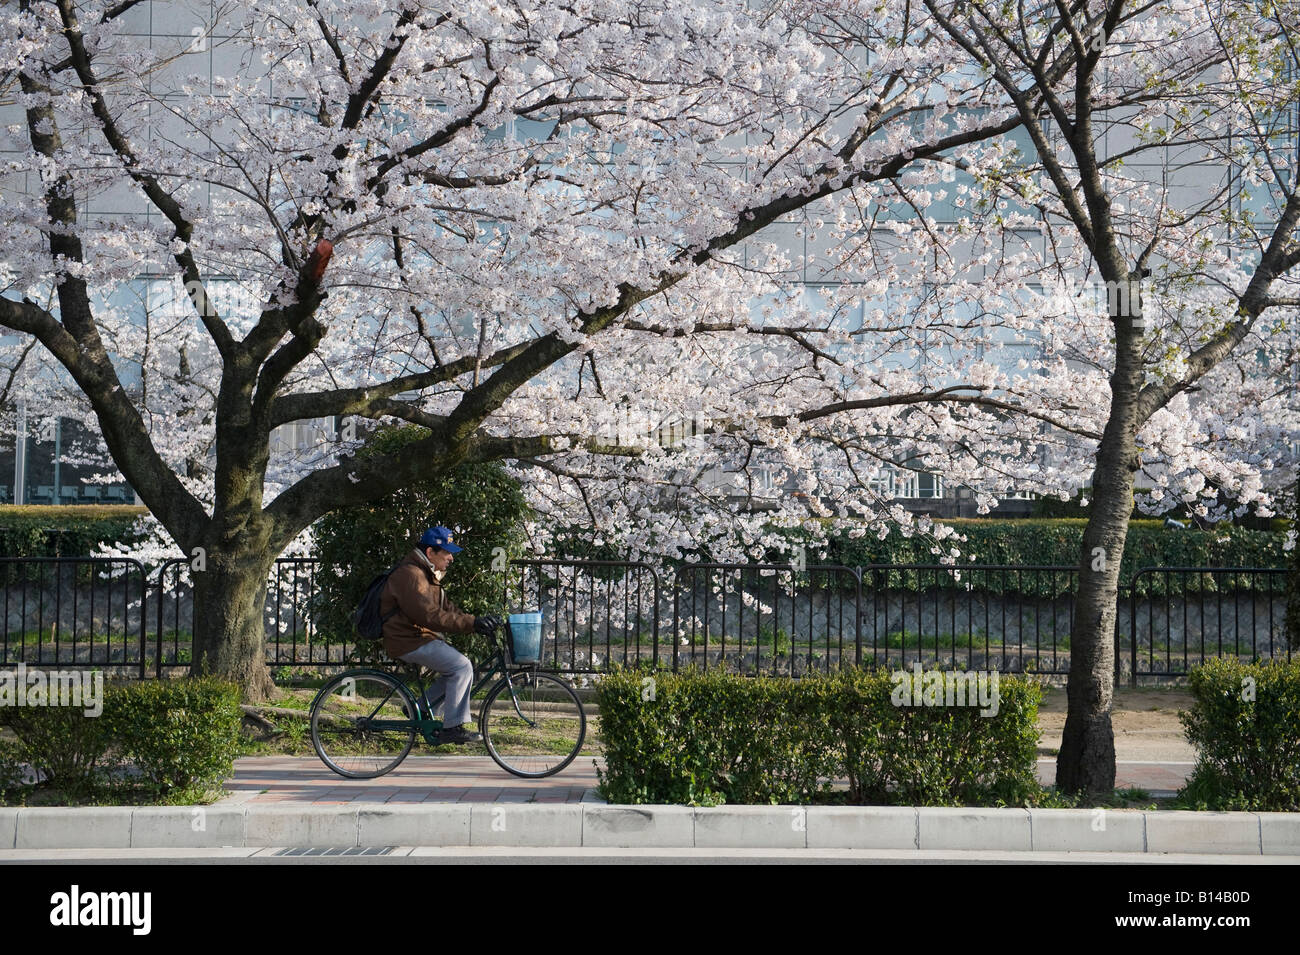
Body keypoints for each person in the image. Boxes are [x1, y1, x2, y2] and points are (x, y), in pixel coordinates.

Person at [379, 526, 502, 744]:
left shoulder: (425, 574)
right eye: (447, 552)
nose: (451, 558)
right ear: (430, 553)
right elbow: (429, 615)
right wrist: (472, 623)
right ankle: (453, 726)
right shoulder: (411, 575)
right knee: (461, 666)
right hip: (408, 640)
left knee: (457, 669)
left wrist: (476, 622)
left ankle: (422, 708)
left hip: (417, 637)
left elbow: (447, 609)